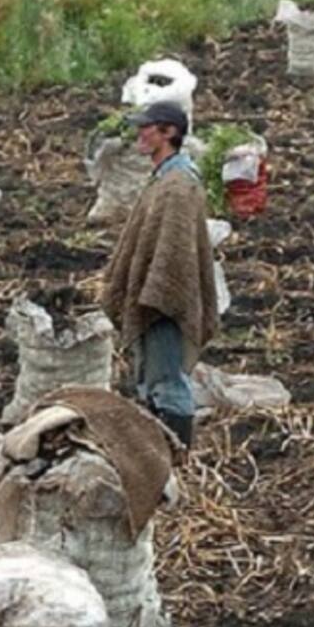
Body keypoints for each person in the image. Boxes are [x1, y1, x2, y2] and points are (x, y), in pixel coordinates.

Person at [102, 100, 218, 449]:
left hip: (165, 300)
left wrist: (160, 291)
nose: (140, 133)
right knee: (152, 380)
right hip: (154, 294)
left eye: (147, 127)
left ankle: (178, 457)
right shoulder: (164, 178)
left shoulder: (178, 185)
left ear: (168, 132)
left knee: (167, 382)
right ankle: (161, 456)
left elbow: (176, 253)